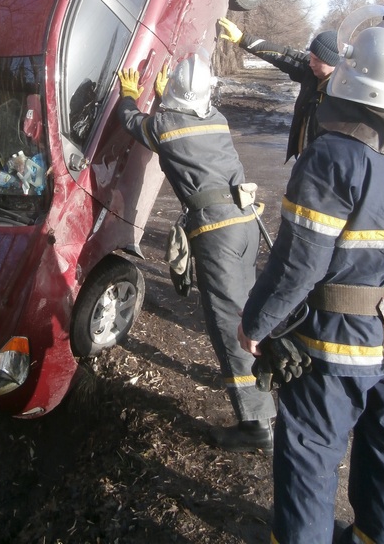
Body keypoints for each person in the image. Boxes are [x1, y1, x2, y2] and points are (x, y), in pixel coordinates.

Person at [237, 7, 384, 544]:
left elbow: (298, 263)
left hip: (334, 350)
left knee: (310, 461)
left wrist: (257, 323)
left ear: (349, 75)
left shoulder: (333, 156)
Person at [117, 52, 276, 453]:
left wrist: (128, 95)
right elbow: (182, 124)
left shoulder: (166, 126)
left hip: (218, 233)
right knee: (249, 313)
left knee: (227, 325)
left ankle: (255, 424)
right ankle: (268, 385)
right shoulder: (217, 120)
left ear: (172, 95)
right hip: (246, 224)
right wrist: (165, 96)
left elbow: (131, 122)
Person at [218, 16, 339, 161]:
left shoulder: (345, 91)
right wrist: (243, 39)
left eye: (317, 60)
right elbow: (281, 54)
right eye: (311, 57)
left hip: (326, 162)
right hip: (304, 156)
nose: (311, 63)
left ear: (333, 62)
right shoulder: (311, 73)